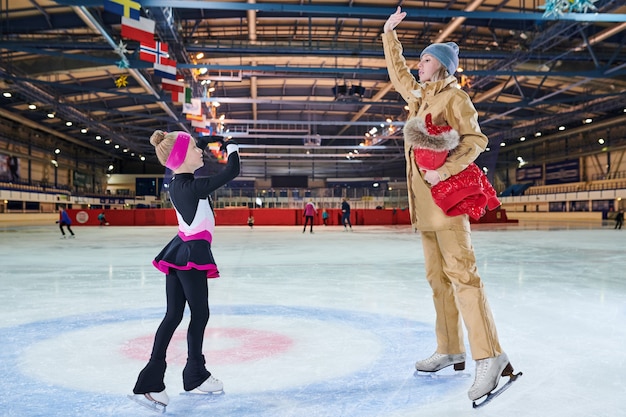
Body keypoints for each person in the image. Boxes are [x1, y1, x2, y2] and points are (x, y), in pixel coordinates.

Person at [383, 7, 517, 404]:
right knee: (437, 279)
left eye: (424, 59)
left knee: (464, 278)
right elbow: (398, 75)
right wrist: (390, 35)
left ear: (440, 66)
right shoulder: (420, 97)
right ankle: (450, 348)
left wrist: (447, 170)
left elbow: (476, 140)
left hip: (447, 202)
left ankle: (490, 356)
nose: (417, 65)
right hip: (423, 208)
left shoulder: (455, 98)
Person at [130, 131, 240, 412]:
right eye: (194, 148)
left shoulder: (180, 181)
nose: (200, 152)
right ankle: (193, 375)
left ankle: (159, 380)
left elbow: (194, 149)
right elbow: (233, 170)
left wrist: (205, 139)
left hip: (181, 250)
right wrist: (231, 146)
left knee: (175, 315)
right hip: (190, 254)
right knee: (199, 313)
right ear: (180, 157)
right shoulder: (192, 188)